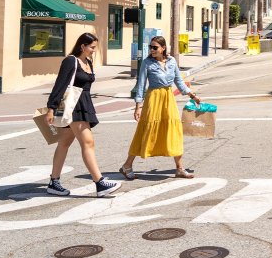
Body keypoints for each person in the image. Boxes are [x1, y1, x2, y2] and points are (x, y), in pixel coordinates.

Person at [44, 33, 121, 197]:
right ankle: (99, 182)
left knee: (64, 143)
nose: (94, 50)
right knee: (88, 142)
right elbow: (60, 83)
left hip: (83, 103)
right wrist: (51, 108)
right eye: (92, 47)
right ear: (82, 46)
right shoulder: (71, 60)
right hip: (73, 106)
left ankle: (54, 182)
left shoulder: (88, 62)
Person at [119, 35, 201, 180]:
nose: (152, 50)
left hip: (168, 99)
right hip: (153, 99)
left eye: (155, 47)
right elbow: (141, 84)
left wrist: (192, 96)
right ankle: (127, 165)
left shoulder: (171, 61)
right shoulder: (147, 63)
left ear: (163, 48)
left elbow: (179, 82)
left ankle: (180, 168)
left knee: (174, 131)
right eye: (150, 47)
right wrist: (138, 106)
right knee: (146, 131)